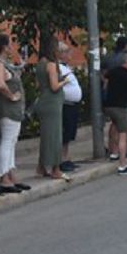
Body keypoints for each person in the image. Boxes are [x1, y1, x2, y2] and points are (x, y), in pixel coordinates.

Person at [0, 34, 29, 191]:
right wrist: (11, 96)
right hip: (7, 107)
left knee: (12, 141)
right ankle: (4, 177)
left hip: (11, 108)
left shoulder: (4, 64)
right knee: (8, 141)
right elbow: (0, 84)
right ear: (4, 47)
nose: (12, 47)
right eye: (10, 44)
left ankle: (11, 174)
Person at [35, 36, 70, 181]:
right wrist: (65, 81)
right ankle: (56, 168)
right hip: (52, 103)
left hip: (43, 100)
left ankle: (42, 166)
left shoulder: (40, 63)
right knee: (55, 136)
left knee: (46, 136)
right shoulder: (51, 65)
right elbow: (54, 86)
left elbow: (38, 85)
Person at [104, 52, 127, 175]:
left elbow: (105, 78)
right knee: (124, 134)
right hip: (121, 107)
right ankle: (122, 165)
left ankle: (113, 153)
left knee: (114, 127)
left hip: (109, 105)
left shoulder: (114, 71)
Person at [58, 42, 82, 173]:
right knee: (65, 133)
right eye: (67, 52)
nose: (69, 55)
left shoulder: (66, 67)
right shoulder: (59, 68)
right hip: (66, 105)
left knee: (69, 133)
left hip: (72, 104)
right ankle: (62, 159)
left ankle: (66, 158)